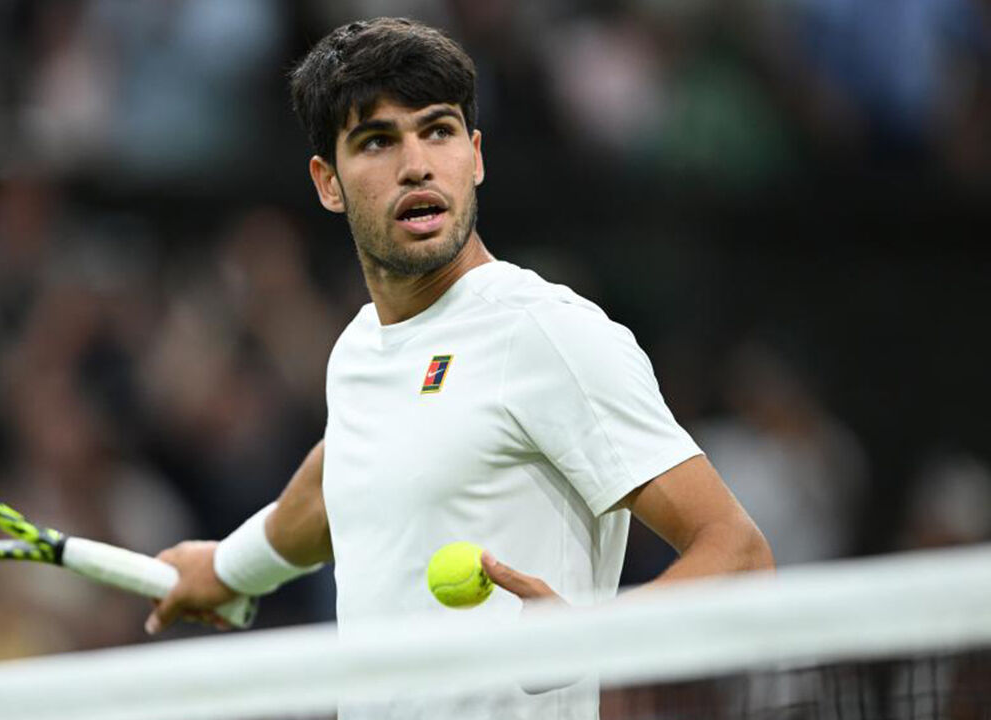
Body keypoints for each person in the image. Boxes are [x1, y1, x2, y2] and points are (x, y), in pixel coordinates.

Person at [146, 17, 774, 719]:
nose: (416, 164)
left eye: (438, 131)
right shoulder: (358, 349)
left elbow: (739, 553)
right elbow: (347, 471)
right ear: (328, 182)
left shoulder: (545, 332)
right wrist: (230, 568)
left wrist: (597, 636)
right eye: (377, 140)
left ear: (474, 157)